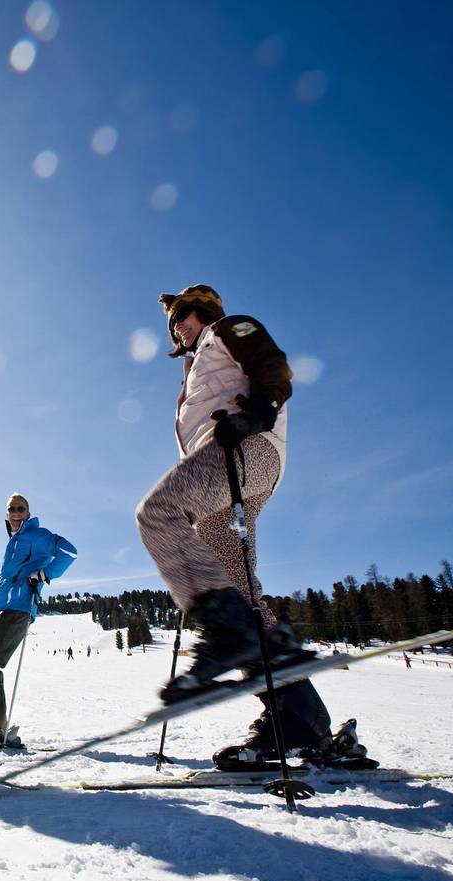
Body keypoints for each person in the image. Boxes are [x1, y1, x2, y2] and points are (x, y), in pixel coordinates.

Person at [135, 284, 370, 769]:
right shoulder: (194, 365)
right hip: (227, 474)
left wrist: (261, 410)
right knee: (238, 595)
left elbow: (271, 362)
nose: (178, 327)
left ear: (204, 312)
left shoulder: (227, 329)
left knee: (157, 514)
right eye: (173, 322)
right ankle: (300, 720)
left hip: (247, 451)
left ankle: (229, 633)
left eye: (184, 317)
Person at [0, 493, 76, 750]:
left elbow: (69, 551)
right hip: (3, 610)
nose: (15, 512)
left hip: (18, 609)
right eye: (11, 509)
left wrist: (45, 574)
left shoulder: (36, 535)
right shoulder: (15, 541)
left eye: (20, 508)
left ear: (28, 512)